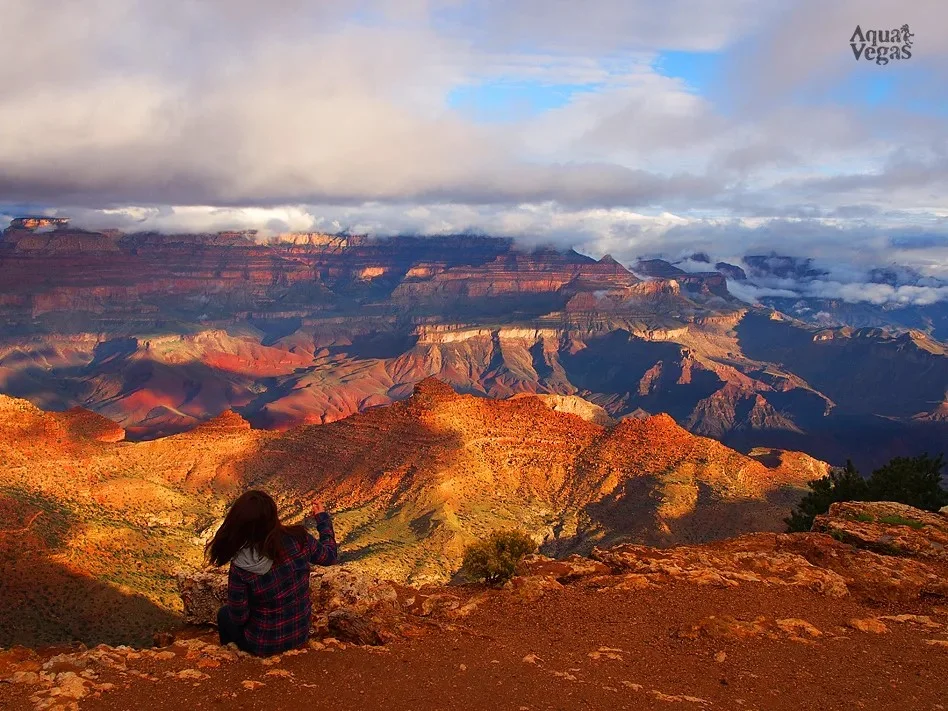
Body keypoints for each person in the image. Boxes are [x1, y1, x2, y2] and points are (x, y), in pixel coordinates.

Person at [205, 490, 337, 656]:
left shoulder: (241, 566)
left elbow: (239, 617)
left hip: (263, 645)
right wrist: (322, 519)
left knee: (224, 615)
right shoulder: (299, 539)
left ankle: (233, 658)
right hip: (299, 634)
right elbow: (330, 556)